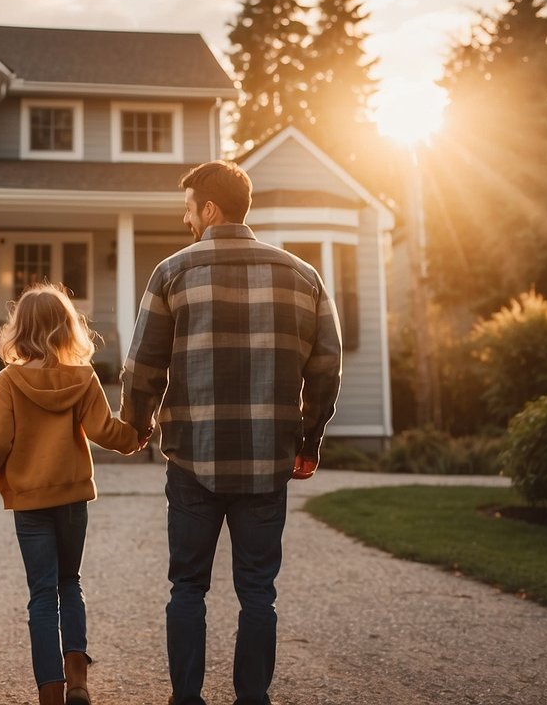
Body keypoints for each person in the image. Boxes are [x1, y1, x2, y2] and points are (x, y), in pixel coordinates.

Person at [120, 159, 343, 705]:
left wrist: (138, 422)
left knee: (187, 588)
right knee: (258, 593)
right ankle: (252, 699)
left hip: (193, 460)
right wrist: (308, 441)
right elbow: (327, 368)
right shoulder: (304, 276)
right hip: (269, 459)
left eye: (189, 209)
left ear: (210, 209)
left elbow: (141, 365)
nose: (186, 219)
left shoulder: (171, 272)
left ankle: (186, 699)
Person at [0, 283, 149, 705]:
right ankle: (78, 681)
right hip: (71, 499)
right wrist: (136, 436)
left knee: (42, 593)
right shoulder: (83, 377)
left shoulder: (9, 380)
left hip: (30, 503)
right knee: (71, 582)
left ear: (19, 330)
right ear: (68, 328)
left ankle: (50, 690)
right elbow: (106, 431)